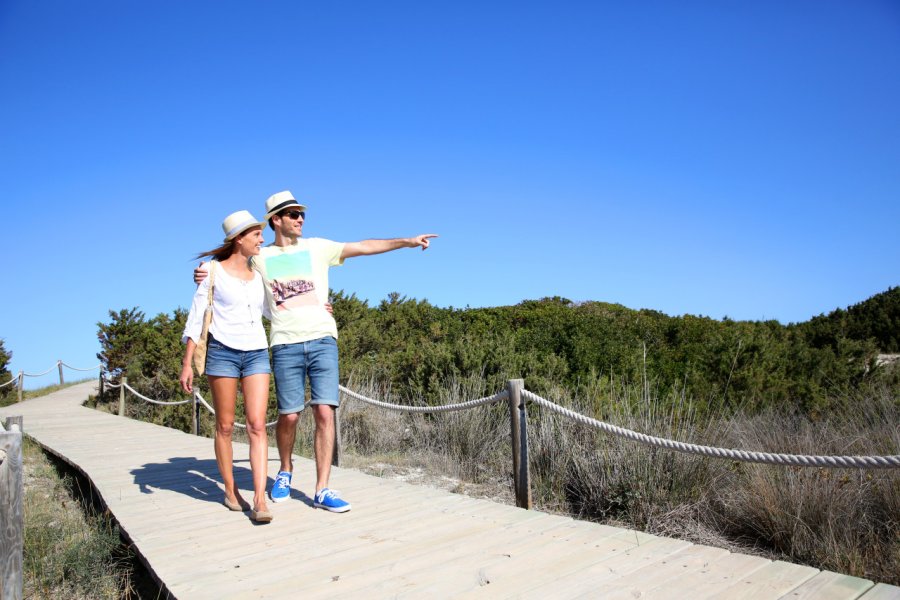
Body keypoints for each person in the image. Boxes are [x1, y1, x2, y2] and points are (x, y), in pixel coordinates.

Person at [196, 190, 437, 513]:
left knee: (325, 412)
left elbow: (364, 247)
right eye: (293, 214)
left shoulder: (318, 248)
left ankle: (322, 488)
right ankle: (285, 469)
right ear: (275, 221)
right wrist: (201, 272)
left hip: (323, 339)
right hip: (284, 343)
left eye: (302, 214)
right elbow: (228, 268)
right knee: (290, 415)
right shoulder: (260, 257)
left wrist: (407, 241)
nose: (300, 219)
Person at [180, 210, 274, 523]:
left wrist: (312, 308)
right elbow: (197, 316)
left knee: (257, 425)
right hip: (222, 352)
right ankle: (231, 490)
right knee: (224, 424)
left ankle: (260, 499)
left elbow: (273, 312)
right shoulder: (211, 271)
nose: (262, 239)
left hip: (257, 352)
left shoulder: (260, 272)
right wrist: (187, 364)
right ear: (238, 239)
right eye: (256, 235)